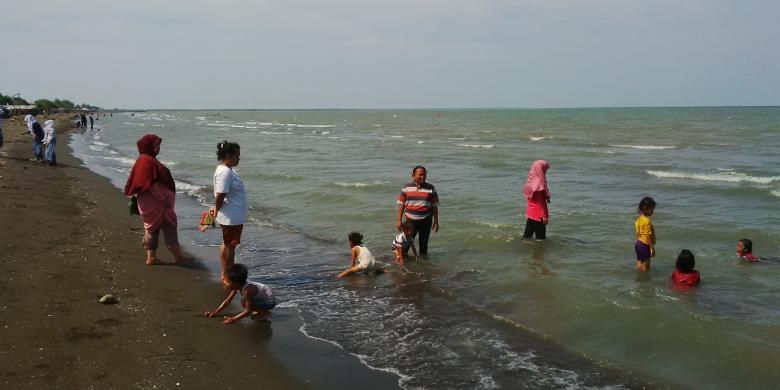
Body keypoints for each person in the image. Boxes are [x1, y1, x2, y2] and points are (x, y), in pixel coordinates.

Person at [124, 134, 190, 265]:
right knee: (169, 228)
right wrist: (164, 199)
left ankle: (151, 257)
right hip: (157, 204)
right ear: (149, 147)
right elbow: (151, 184)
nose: (159, 148)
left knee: (151, 230)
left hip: (149, 203)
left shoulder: (143, 160)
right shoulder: (148, 161)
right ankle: (178, 257)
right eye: (156, 145)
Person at [210, 141, 246, 281]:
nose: (239, 158)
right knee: (230, 246)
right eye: (237, 155)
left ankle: (226, 273)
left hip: (233, 215)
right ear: (228, 155)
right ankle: (227, 275)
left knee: (228, 244)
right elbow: (220, 195)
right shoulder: (224, 172)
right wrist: (215, 212)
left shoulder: (229, 170)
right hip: (230, 216)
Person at [205, 263, 276, 324]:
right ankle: (261, 310)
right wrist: (215, 312)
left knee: (245, 303)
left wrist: (233, 319)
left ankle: (266, 313)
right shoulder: (238, 286)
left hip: (269, 302)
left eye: (227, 282)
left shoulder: (247, 291)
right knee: (244, 302)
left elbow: (248, 311)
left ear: (235, 283)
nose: (225, 283)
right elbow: (227, 301)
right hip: (260, 298)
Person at [396, 166, 439, 256]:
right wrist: (399, 220)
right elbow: (401, 204)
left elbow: (435, 206)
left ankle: (423, 267)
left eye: (424, 175)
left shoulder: (430, 188)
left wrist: (436, 221)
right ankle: (403, 266)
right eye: (420, 175)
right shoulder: (406, 187)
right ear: (413, 175)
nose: (422, 177)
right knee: (406, 245)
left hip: (426, 220)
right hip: (410, 221)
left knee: (423, 246)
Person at [522, 160, 551, 240]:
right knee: (541, 239)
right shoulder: (539, 183)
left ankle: (523, 251)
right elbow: (541, 202)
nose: (545, 171)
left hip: (530, 213)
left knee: (526, 237)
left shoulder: (530, 180)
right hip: (539, 215)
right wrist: (545, 217)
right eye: (544, 169)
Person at [634, 197, 657, 272]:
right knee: (646, 266)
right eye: (652, 209)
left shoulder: (638, 219)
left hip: (638, 244)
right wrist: (651, 248)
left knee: (640, 262)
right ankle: (644, 281)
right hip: (645, 245)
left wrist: (638, 242)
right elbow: (648, 235)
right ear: (646, 208)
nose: (653, 211)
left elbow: (637, 232)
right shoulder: (646, 221)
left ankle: (639, 277)